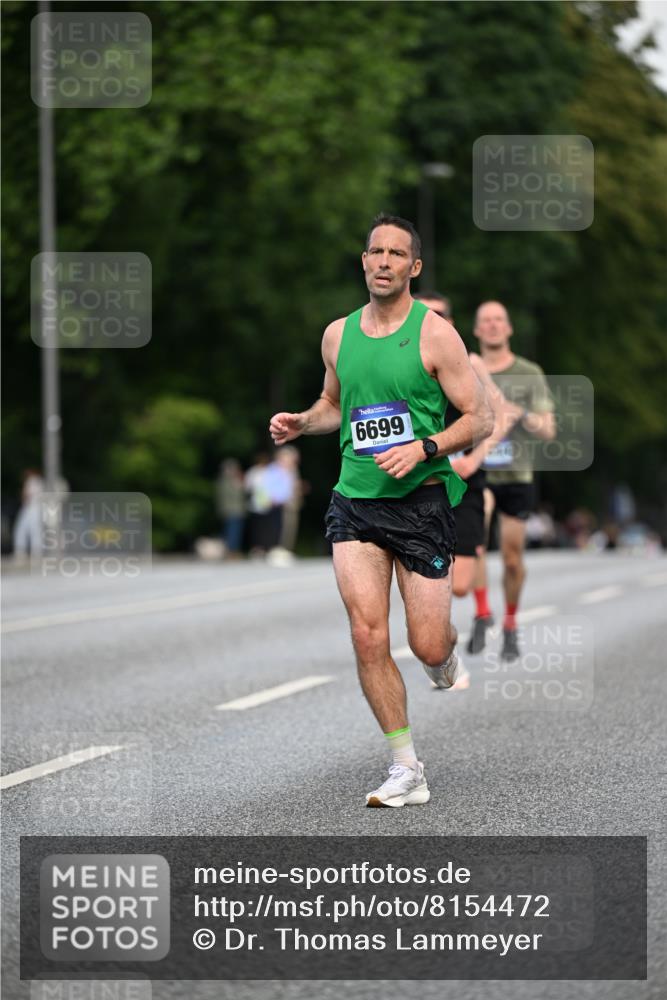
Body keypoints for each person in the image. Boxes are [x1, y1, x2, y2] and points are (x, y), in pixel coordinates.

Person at [270, 214, 492, 808]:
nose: (384, 261)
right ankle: (406, 767)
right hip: (355, 501)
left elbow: (479, 418)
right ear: (363, 261)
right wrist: (303, 422)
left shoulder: (436, 334)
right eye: (375, 251)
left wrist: (423, 447)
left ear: (413, 267)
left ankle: (443, 657)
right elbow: (332, 405)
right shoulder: (338, 334)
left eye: (397, 253)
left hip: (422, 502)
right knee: (369, 635)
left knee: (426, 645)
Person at [414, 292, 507, 690]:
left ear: (450, 320)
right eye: (424, 313)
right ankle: (441, 651)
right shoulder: (406, 359)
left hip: (466, 480)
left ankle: (440, 636)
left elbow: (498, 417)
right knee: (433, 576)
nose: (431, 320)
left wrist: (474, 457)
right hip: (423, 482)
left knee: (463, 583)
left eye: (439, 314)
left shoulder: (470, 362)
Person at [469, 301, 556, 661]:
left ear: (509, 329)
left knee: (511, 560)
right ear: (476, 330)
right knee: (474, 542)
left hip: (517, 474)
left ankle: (509, 622)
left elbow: (548, 430)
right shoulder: (465, 368)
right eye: (485, 321)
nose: (491, 326)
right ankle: (482, 612)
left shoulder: (529, 372)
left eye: (498, 320)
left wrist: (518, 413)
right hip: (479, 470)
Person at [216, 458, 247, 558]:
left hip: (228, 510)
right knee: (233, 532)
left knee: (230, 531)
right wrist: (239, 486)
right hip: (234, 510)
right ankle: (231, 551)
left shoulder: (221, 481)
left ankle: (229, 550)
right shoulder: (230, 481)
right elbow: (238, 494)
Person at [13, 469, 44, 562]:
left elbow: (27, 495)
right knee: (32, 530)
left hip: (32, 507)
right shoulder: (39, 481)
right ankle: (35, 552)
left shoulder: (33, 481)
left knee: (27, 530)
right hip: (33, 507)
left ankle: (24, 552)